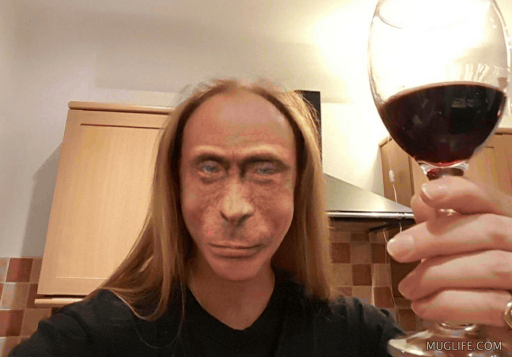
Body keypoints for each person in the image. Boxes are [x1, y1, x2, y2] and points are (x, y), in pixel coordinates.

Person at [10, 78, 512, 356]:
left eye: (266, 169)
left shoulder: (357, 334)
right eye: (209, 168)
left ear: (299, 192)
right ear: (175, 188)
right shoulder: (95, 336)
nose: (234, 207)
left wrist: (496, 340)